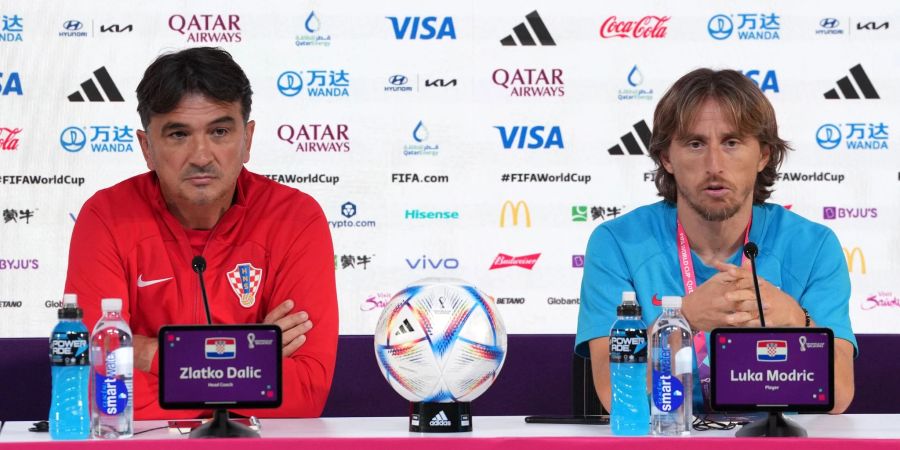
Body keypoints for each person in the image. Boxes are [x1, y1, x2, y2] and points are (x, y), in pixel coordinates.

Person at [64, 47, 338, 419]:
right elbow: (98, 390)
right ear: (147, 147)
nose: (202, 155)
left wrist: (150, 354)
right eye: (178, 134)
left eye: (220, 131)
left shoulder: (296, 219)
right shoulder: (105, 218)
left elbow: (306, 391)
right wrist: (251, 363)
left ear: (248, 139)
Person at [575, 68, 856, 415]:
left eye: (732, 142)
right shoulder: (617, 243)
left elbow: (838, 396)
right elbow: (614, 393)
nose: (714, 165)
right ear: (667, 158)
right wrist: (682, 319)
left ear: (764, 155)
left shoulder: (814, 246)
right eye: (695, 144)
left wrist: (798, 321)